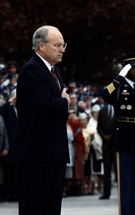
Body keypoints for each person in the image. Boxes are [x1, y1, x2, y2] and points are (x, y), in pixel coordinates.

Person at [15, 25, 70, 215]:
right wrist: (64, 102)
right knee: (34, 208)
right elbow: (43, 106)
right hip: (36, 155)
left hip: (54, 153)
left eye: (63, 45)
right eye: (57, 45)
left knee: (52, 209)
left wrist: (61, 105)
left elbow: (55, 111)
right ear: (41, 46)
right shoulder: (31, 70)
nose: (62, 49)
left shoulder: (56, 72)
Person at [102, 52, 135, 215]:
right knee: (125, 182)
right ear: (126, 69)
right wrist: (119, 77)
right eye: (133, 67)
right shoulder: (118, 88)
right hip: (124, 139)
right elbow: (106, 96)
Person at [0, 89, 18, 202]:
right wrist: (11, 101)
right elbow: (1, 111)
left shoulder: (20, 110)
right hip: (9, 145)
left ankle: (15, 193)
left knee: (17, 172)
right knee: (8, 171)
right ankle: (7, 193)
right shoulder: (9, 108)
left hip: (19, 146)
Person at [97, 103, 118, 200]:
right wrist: (104, 136)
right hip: (106, 145)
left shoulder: (119, 109)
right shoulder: (102, 111)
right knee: (106, 170)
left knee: (119, 170)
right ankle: (106, 193)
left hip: (116, 145)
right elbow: (99, 127)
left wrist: (112, 137)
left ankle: (122, 192)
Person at [88, 104, 104, 194]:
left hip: (102, 146)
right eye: (95, 113)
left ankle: (100, 186)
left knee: (102, 169)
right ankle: (94, 187)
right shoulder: (91, 122)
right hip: (94, 147)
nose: (97, 114)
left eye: (98, 113)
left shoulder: (101, 121)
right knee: (94, 169)